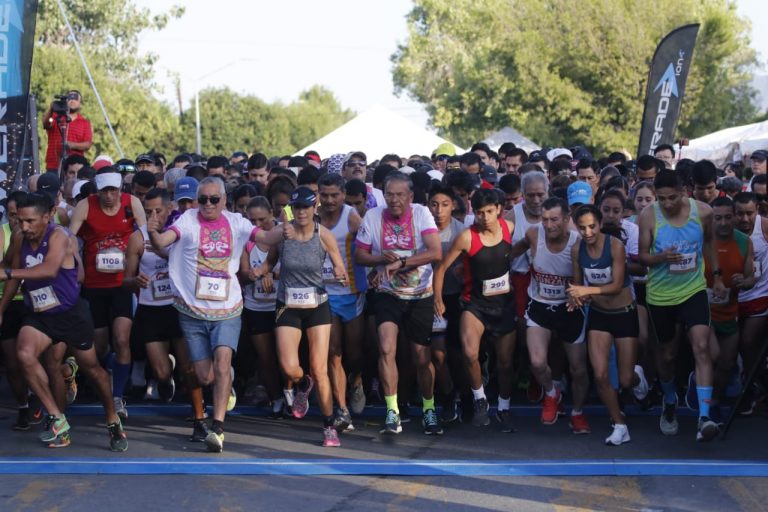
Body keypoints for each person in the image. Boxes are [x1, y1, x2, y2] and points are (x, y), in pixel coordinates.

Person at [146, 177, 284, 452]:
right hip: (192, 311)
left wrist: (288, 228)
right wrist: (153, 231)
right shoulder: (187, 220)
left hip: (227, 309)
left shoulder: (238, 223)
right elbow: (164, 239)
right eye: (203, 199)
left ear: (224, 200)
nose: (208, 205)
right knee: (205, 376)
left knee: (221, 365)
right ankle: (226, 380)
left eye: (214, 199)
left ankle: (218, 428)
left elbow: (268, 238)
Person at [3, 192, 126, 450]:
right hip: (39, 313)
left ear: (47, 217)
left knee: (92, 369)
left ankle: (112, 418)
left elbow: (48, 269)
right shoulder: (18, 237)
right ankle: (57, 419)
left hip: (70, 314)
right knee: (25, 354)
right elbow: (11, 275)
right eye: (20, 221)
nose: (23, 227)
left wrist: (9, 272)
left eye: (30, 221)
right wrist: (1, 307)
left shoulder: (60, 236)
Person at [252, 186, 348, 447]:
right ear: (291, 209)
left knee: (320, 368)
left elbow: (339, 263)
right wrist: (262, 271)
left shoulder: (323, 235)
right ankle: (302, 383)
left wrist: (340, 272)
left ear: (314, 207)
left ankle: (329, 425)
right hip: (288, 305)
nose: (301, 212)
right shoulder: (283, 235)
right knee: (288, 367)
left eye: (306, 207)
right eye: (297, 208)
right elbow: (270, 260)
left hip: (317, 305)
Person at [637, 169, 723, 442]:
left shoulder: (704, 212)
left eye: (672, 197)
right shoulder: (649, 215)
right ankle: (670, 401)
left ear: (685, 191)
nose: (667, 203)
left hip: (693, 288)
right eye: (661, 199)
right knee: (667, 356)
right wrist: (661, 257)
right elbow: (641, 257)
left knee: (701, 345)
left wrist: (717, 277)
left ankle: (704, 416)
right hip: (661, 295)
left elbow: (709, 243)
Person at [355, 172, 443, 435]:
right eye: (389, 194)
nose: (394, 200)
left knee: (421, 357)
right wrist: (380, 258)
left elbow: (436, 252)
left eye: (399, 194)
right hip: (387, 292)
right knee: (386, 347)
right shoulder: (372, 217)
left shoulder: (421, 214)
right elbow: (360, 255)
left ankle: (429, 408)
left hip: (420, 294)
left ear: (411, 196)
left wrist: (402, 262)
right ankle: (392, 411)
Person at [123, 188, 208, 440]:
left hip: (179, 308)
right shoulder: (137, 239)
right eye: (148, 212)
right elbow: (125, 279)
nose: (153, 216)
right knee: (161, 373)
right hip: (151, 311)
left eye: (158, 211)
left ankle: (199, 418)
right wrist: (134, 280)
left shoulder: (180, 233)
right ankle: (165, 376)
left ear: (169, 209)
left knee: (189, 367)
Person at [434, 189, 517, 432]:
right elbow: (440, 269)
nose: (484, 218)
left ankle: (503, 406)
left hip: (503, 305)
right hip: (475, 305)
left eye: (489, 212)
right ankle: (480, 399)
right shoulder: (466, 237)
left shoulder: (509, 228)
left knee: (505, 363)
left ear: (499, 209)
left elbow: (516, 250)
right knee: (469, 354)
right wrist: (438, 298)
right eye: (479, 213)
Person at [68, 168, 147, 420]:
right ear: (98, 191)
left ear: (120, 190)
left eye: (114, 190)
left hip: (122, 283)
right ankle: (100, 381)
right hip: (94, 284)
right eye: (105, 191)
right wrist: (75, 266)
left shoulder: (131, 203)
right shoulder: (85, 205)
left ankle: (117, 395)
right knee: (99, 344)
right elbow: (69, 238)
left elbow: (145, 237)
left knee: (122, 338)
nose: (110, 196)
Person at [567, 205, 648, 445]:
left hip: (624, 313)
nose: (587, 232)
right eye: (582, 228)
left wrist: (586, 290)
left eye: (592, 226)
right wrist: (576, 298)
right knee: (601, 374)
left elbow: (616, 284)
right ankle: (620, 425)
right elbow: (578, 284)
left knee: (624, 380)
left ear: (600, 224)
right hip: (599, 315)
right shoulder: (576, 250)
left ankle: (638, 377)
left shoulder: (615, 246)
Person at [510, 197, 590, 433]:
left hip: (570, 309)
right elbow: (514, 251)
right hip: (540, 305)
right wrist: (499, 264)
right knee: (536, 361)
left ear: (567, 219)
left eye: (554, 219)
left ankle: (577, 412)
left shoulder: (577, 242)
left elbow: (583, 278)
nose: (549, 225)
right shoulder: (535, 234)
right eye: (545, 219)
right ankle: (552, 393)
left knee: (578, 369)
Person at [317, 174, 368, 428]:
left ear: (343, 195)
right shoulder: (310, 215)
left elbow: (369, 245)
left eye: (334, 195)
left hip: (351, 292)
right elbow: (286, 222)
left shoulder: (351, 216)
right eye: (324, 195)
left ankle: (356, 381)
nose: (329, 200)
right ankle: (342, 409)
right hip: (324, 293)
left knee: (355, 352)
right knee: (333, 352)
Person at [698, 196, 754, 422]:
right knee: (713, 355)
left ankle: (716, 400)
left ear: (734, 218)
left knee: (728, 364)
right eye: (717, 218)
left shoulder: (744, 241)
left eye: (727, 217)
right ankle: (704, 399)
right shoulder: (702, 240)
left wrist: (744, 280)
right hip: (704, 313)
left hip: (730, 313)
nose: (723, 222)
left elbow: (751, 278)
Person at [240, 196, 286, 419]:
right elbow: (242, 275)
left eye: (263, 220)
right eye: (252, 220)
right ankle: (276, 397)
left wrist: (272, 273)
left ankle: (291, 392)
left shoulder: (284, 234)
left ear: (272, 214)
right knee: (266, 357)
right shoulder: (247, 241)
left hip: (283, 304)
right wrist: (253, 275)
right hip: (256, 307)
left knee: (286, 357)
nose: (257, 226)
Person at [734, 192, 768, 415]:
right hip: (732, 299)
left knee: (748, 341)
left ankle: (754, 386)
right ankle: (753, 384)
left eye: (750, 213)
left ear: (758, 210)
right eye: (740, 214)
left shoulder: (764, 227)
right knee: (736, 348)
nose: (745, 219)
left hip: (760, 296)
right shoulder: (725, 229)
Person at [43, 90, 93, 172]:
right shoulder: (55, 117)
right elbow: (45, 124)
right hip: (54, 165)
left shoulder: (84, 123)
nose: (72, 100)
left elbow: (87, 144)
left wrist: (71, 145)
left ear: (80, 103)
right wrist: (51, 109)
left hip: (74, 167)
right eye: (70, 98)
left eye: (75, 98)